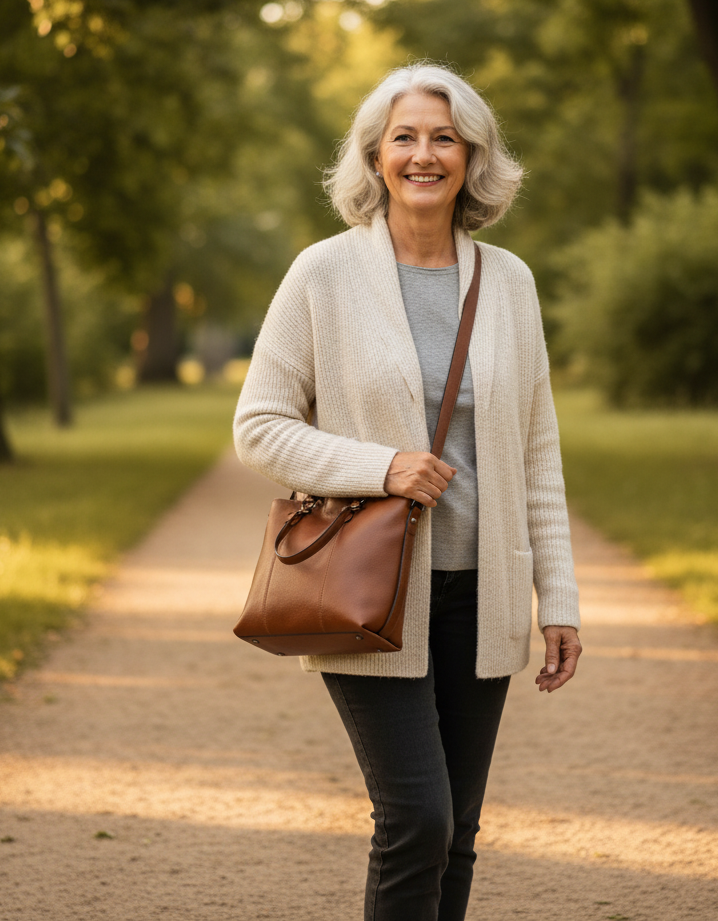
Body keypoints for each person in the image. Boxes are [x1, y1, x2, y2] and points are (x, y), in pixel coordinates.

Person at [233, 62, 581, 921]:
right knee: (416, 820)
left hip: (483, 590)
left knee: (458, 829)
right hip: (370, 591)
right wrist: (381, 466)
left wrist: (559, 598)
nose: (425, 154)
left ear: (472, 157)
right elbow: (259, 425)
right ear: (375, 157)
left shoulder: (510, 282)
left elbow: (539, 453)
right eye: (405, 137)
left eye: (445, 137)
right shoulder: (323, 275)